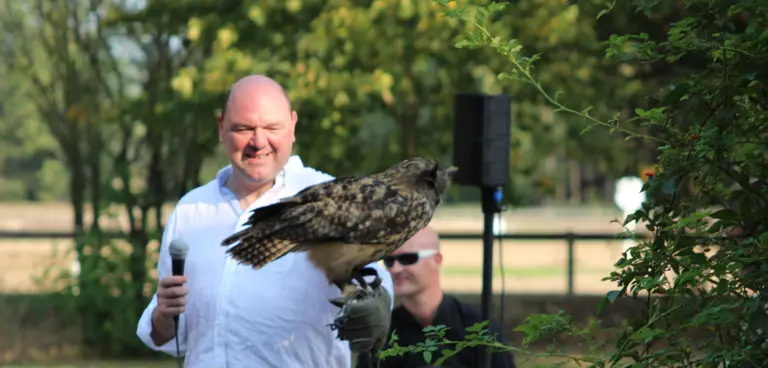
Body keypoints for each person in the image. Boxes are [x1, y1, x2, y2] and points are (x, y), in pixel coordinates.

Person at [135, 75, 394, 368]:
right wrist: (163, 315)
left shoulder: (334, 200)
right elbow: (165, 334)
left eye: (272, 127)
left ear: (293, 127)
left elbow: (377, 290)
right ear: (221, 128)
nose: (258, 142)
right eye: (244, 128)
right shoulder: (191, 211)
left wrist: (375, 302)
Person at [357, 227, 516, 368]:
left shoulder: (478, 326)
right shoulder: (381, 331)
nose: (396, 269)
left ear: (436, 260)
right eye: (389, 261)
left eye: (408, 258)